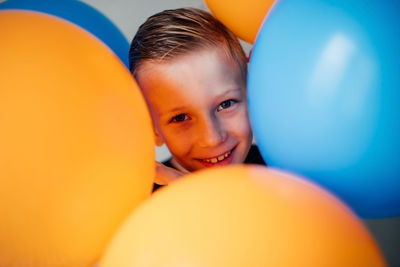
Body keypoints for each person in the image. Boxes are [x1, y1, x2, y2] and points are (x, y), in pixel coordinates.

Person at [129, 8, 265, 191]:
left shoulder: (286, 170)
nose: (212, 139)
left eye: (225, 104)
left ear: (251, 91)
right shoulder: (144, 202)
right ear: (153, 129)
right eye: (180, 118)